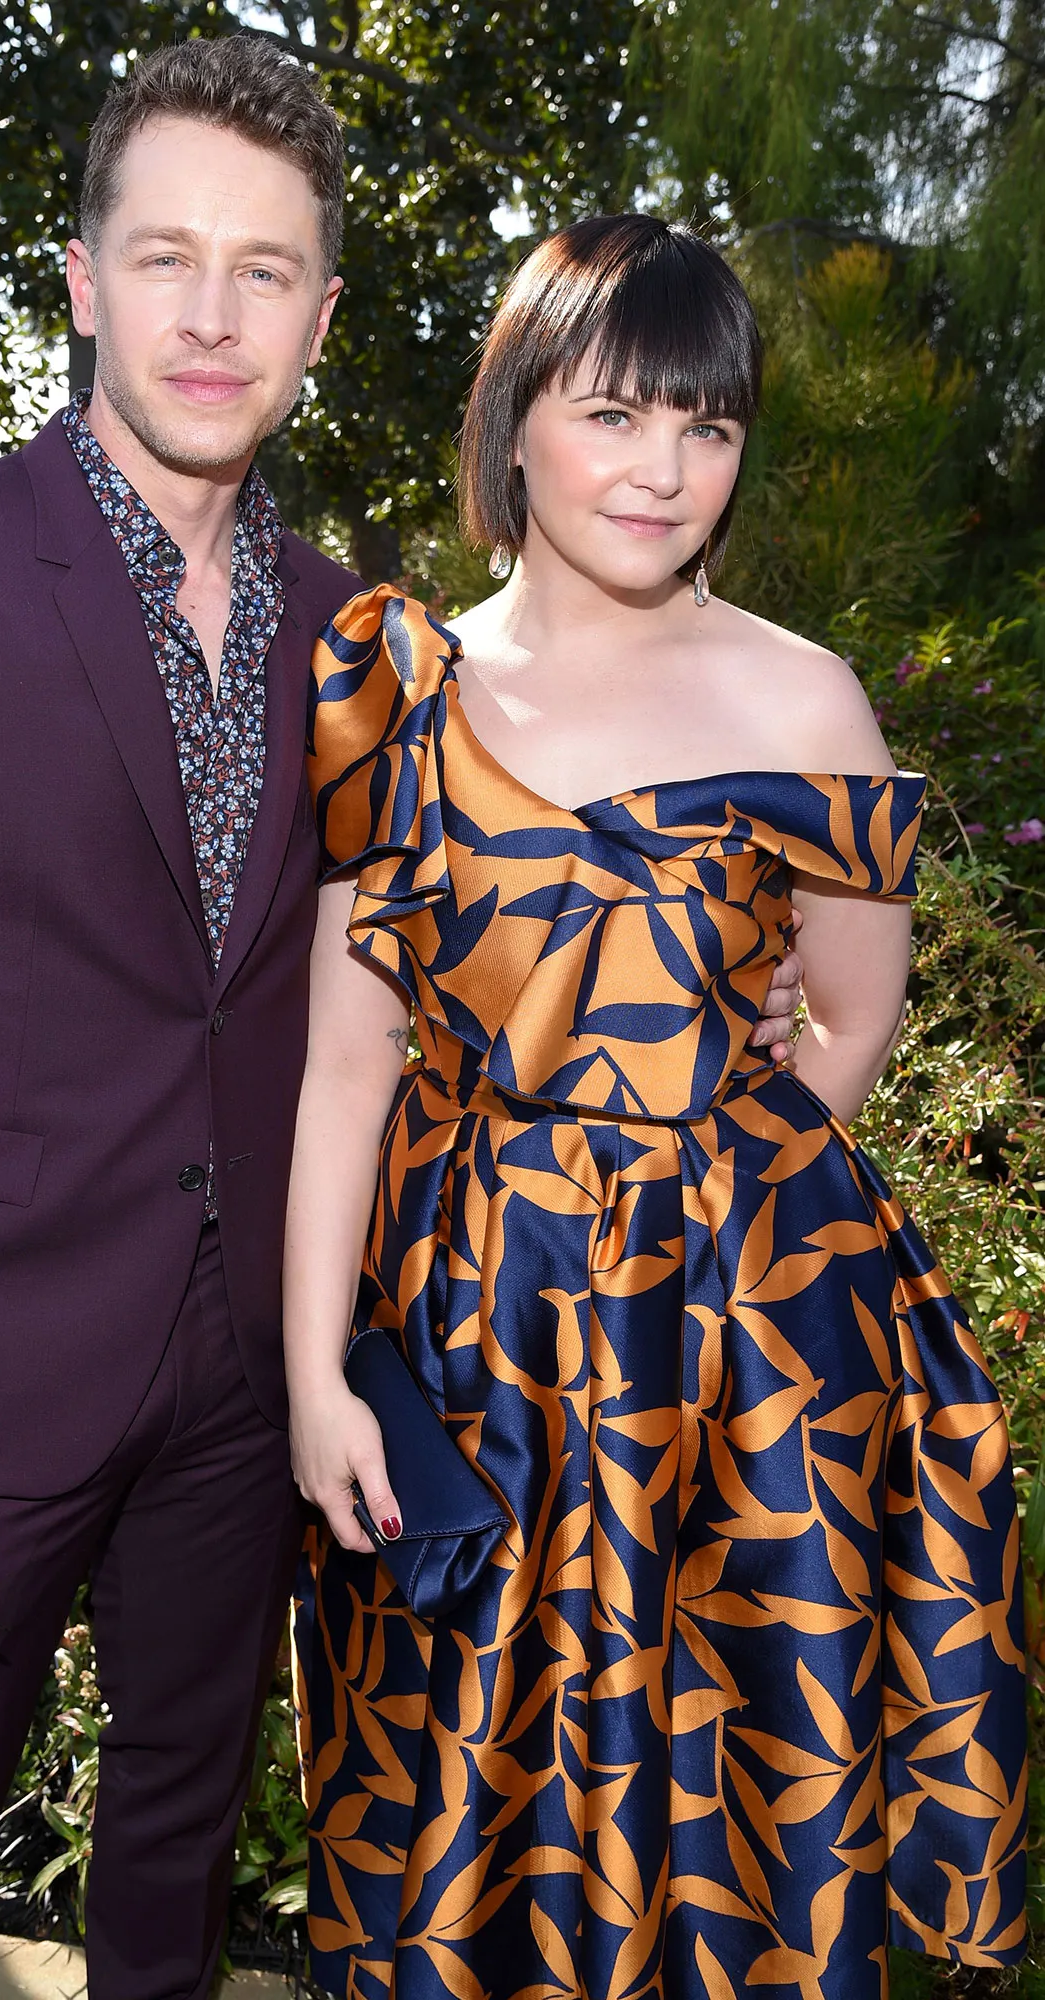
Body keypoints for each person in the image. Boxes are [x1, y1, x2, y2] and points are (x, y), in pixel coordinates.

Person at [0, 43, 801, 1995]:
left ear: (325, 312)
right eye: (170, 257)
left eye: (268, 270)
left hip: (242, 1385)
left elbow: (426, 962)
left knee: (179, 1853)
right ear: (82, 278)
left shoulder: (347, 633)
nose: (216, 316)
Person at [285, 215, 1026, 2000]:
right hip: (477, 1340)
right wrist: (316, 1379)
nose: (663, 470)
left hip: (747, 1364)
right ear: (518, 416)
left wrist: (703, 1171)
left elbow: (848, 1017)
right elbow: (344, 1063)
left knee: (735, 1821)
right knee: (465, 1794)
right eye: (617, 415)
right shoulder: (392, 693)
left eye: (707, 429)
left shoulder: (805, 697)